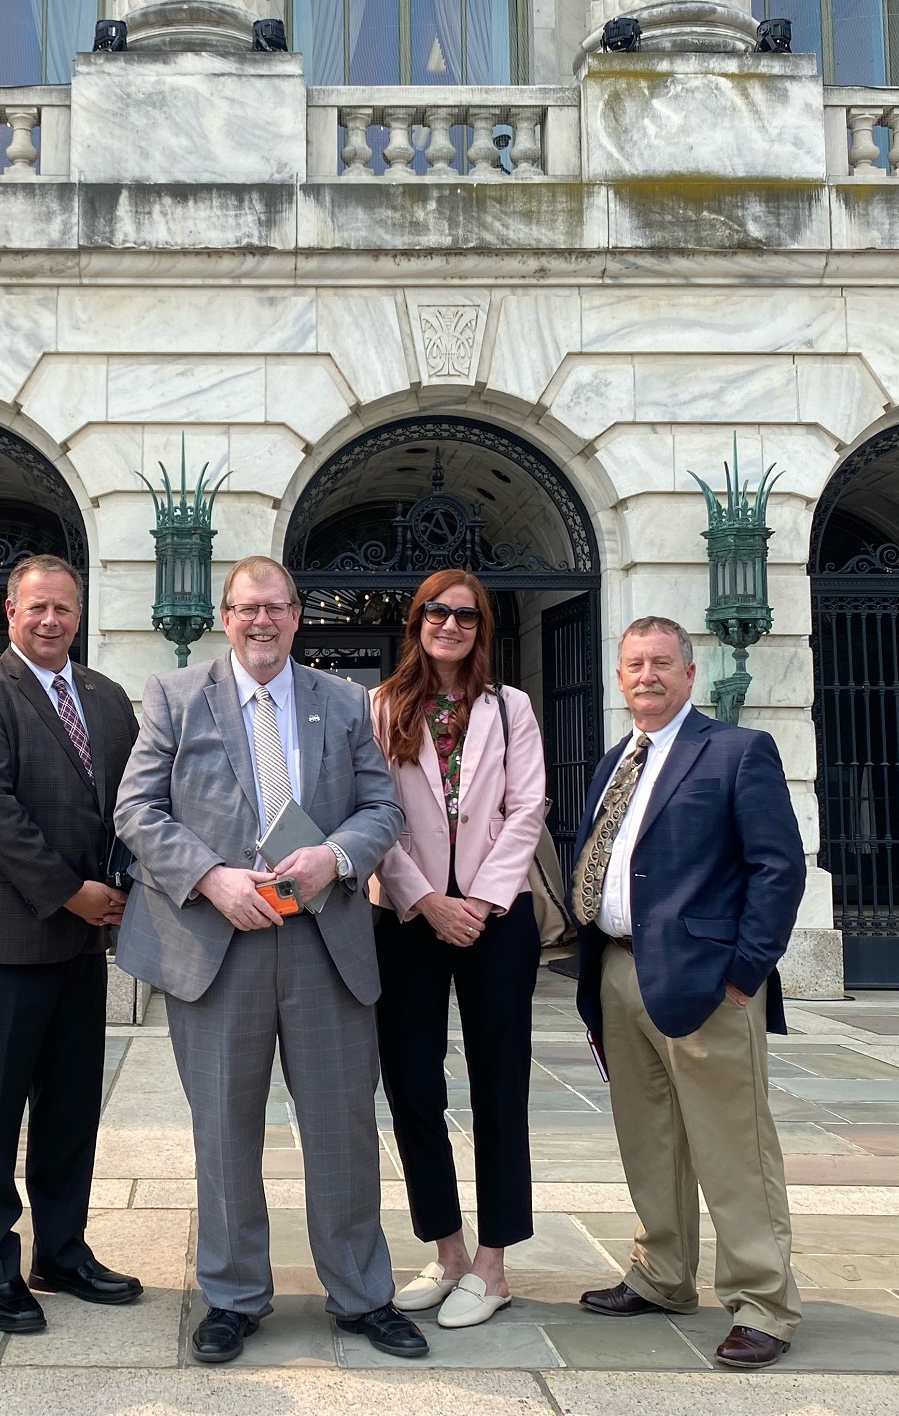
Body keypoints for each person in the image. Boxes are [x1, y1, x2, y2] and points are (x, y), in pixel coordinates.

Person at [115, 555, 422, 1364]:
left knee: (343, 1130)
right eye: (248, 607)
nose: (262, 620)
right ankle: (232, 1295)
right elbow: (135, 810)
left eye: (277, 607)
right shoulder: (175, 696)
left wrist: (337, 857)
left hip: (325, 942)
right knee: (223, 1130)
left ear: (297, 616)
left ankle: (361, 1293)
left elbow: (381, 805)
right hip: (221, 947)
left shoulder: (345, 699)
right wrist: (209, 876)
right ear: (226, 615)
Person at [572, 616, 807, 1371]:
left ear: (689, 672)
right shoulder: (615, 760)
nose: (648, 675)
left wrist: (746, 970)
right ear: (619, 676)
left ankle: (762, 1300)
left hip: (706, 982)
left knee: (733, 1144)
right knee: (650, 1140)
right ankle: (662, 1272)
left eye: (662, 663)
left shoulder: (737, 751)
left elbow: (779, 867)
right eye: (635, 663)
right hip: (617, 969)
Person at [0, 553, 144, 1334]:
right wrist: (70, 890)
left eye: (63, 608)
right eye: (37, 607)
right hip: (6, 934)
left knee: (68, 1109)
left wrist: (125, 885)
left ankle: (64, 1248)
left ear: (79, 614)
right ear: (11, 610)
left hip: (84, 943)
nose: (51, 620)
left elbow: (128, 800)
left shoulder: (106, 697)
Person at [370, 570, 546, 1330]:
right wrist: (427, 900)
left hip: (496, 916)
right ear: (416, 622)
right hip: (410, 917)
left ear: (483, 627)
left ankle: (493, 1264)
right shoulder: (380, 705)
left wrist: (477, 901)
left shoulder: (510, 708)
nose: (450, 624)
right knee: (413, 1088)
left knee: (499, 1085)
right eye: (437, 612)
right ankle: (446, 1251)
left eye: (465, 615)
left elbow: (527, 805)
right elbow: (371, 811)